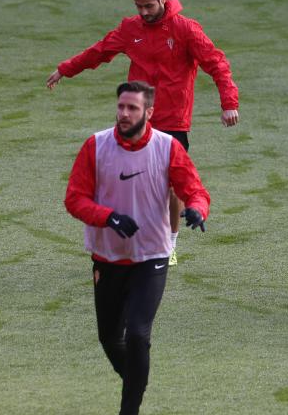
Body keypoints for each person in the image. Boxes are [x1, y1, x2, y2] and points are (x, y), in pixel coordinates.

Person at [47, 0, 238, 266]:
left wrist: (229, 103)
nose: (143, 13)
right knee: (129, 177)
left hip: (174, 119)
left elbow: (216, 62)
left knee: (171, 185)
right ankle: (123, 239)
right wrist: (65, 69)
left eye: (149, 6)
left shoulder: (186, 29)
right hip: (137, 119)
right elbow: (99, 51)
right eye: (139, 7)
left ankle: (168, 244)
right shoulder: (129, 29)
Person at [64, 81, 210, 414]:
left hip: (151, 257)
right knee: (109, 338)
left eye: (132, 108)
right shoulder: (96, 146)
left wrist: (197, 209)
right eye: (121, 107)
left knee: (138, 335)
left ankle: (129, 409)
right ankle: (136, 381)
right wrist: (108, 217)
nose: (124, 114)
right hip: (108, 258)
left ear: (149, 112)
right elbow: (74, 199)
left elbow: (195, 190)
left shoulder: (167, 147)